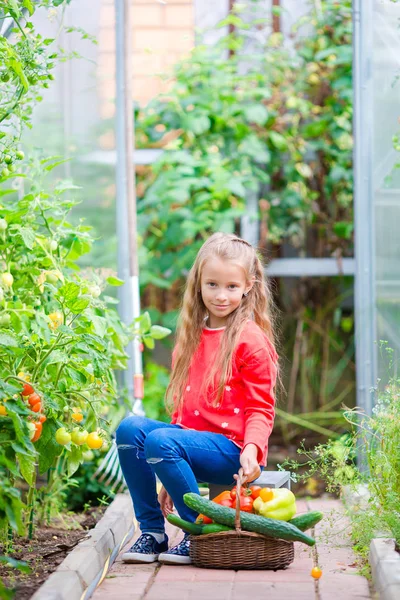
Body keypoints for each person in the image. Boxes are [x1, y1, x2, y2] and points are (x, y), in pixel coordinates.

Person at [116, 232, 279, 565]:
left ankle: (197, 535)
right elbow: (185, 413)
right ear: (199, 285)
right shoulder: (190, 337)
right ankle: (154, 533)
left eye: (232, 286)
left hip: (234, 449)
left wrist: (252, 449)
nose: (221, 295)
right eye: (212, 285)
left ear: (248, 286)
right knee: (130, 429)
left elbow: (261, 407)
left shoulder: (251, 339)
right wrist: (170, 469)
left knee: (161, 439)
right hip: (189, 444)